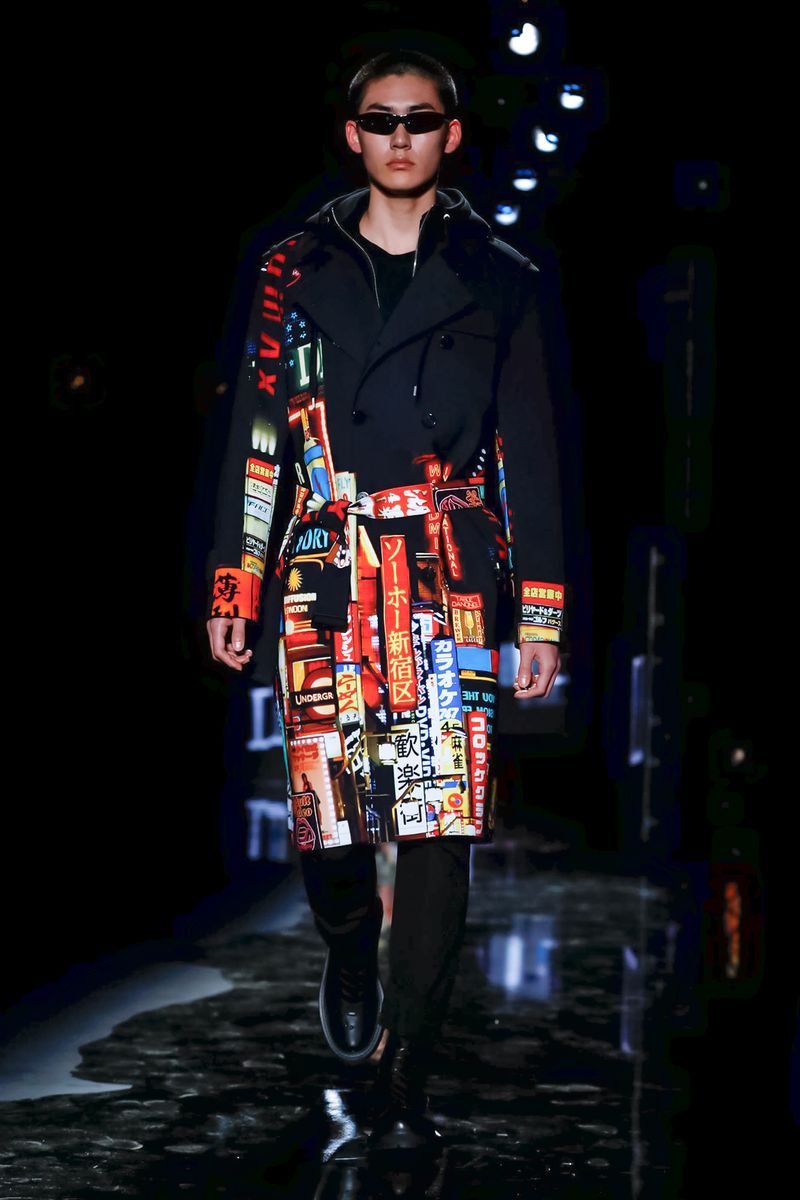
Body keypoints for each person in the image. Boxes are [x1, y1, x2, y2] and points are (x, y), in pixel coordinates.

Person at [206, 49, 566, 1151]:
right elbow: (259, 435)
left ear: (450, 133)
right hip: (325, 566)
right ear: (351, 132)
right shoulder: (288, 270)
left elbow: (529, 451)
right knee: (329, 823)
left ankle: (406, 1063)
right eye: (380, 119)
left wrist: (538, 613)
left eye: (419, 119)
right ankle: (350, 941)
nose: (399, 137)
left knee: (438, 829)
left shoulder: (499, 275)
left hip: (446, 572)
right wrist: (237, 578)